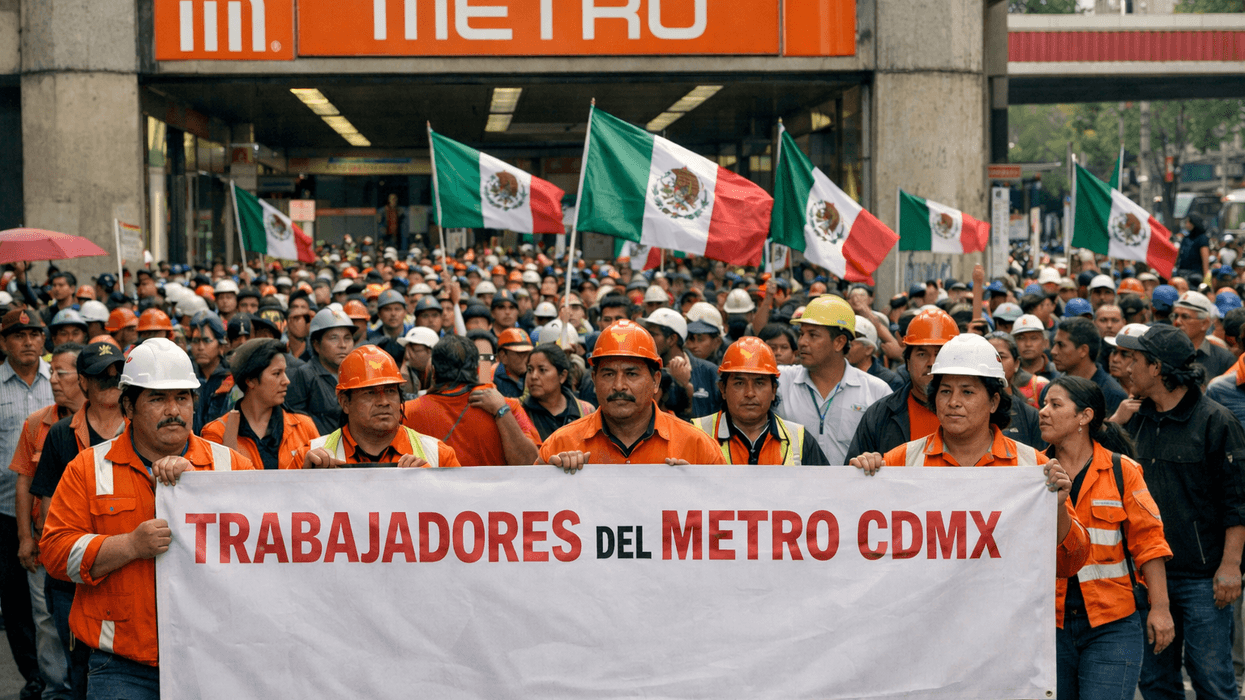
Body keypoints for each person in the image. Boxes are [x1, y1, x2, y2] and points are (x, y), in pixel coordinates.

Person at [40, 338, 253, 700]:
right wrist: (129, 545)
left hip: (214, 657)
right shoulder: (88, 468)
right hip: (122, 667)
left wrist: (201, 488)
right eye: (157, 399)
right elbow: (56, 555)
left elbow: (266, 550)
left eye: (182, 398)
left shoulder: (230, 466)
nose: (173, 410)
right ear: (128, 406)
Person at [848, 333, 1090, 579]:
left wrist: (1057, 509)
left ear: (994, 401)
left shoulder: (1033, 466)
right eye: (945, 391)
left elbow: (1069, 565)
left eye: (967, 392)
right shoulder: (901, 460)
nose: (953, 402)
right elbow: (861, 542)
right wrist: (863, 478)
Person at [1114, 324, 1245, 700]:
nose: (1125, 367)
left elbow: (1238, 502)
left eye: (1134, 359)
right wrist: (1114, 424)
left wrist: (1231, 567)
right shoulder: (1132, 419)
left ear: (1157, 367)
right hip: (1145, 578)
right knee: (1155, 683)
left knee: (1213, 682)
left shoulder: (1216, 422)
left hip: (1203, 581)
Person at [1039, 376, 1174, 700]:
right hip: (1047, 625)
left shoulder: (1121, 470)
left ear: (1084, 417)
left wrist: (1161, 608)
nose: (1043, 412)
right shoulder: (1031, 470)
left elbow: (1149, 542)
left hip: (1112, 623)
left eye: (1055, 405)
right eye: (1043, 404)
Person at [28, 341, 127, 700]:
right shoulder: (61, 434)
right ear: (84, 382)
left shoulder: (139, 429)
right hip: (74, 580)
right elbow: (50, 510)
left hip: (129, 571)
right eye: (102, 376)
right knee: (79, 669)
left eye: (118, 374)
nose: (112, 382)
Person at [539, 319, 725, 471]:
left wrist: (698, 488)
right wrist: (553, 478)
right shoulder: (560, 445)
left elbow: (725, 510)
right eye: (609, 374)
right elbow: (531, 506)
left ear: (656, 381)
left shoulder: (698, 448)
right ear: (594, 380)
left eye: (631, 374)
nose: (619, 386)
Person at [8, 343, 84, 700]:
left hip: (89, 544)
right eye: (51, 373)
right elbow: (24, 482)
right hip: (45, 541)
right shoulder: (37, 423)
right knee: (47, 622)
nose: (52, 379)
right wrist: (26, 536)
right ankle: (56, 690)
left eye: (61, 373)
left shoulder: (114, 423)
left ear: (84, 380)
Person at [294, 345, 460, 468]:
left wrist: (434, 485)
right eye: (370, 393)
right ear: (345, 402)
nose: (384, 401)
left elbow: (461, 511)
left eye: (390, 391)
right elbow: (281, 508)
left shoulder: (439, 456)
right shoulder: (309, 458)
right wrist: (305, 482)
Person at [0, 309, 52, 699]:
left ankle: (57, 675)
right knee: (16, 601)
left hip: (52, 510)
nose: (28, 341)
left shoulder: (63, 380)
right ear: (4, 342)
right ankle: (34, 674)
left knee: (51, 601)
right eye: (19, 335)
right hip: (3, 510)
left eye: (34, 333)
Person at [777, 295, 892, 465]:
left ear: (839, 342)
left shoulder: (876, 391)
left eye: (813, 335)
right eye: (801, 334)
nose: (802, 342)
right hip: (793, 490)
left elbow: (891, 453)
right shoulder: (779, 381)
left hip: (852, 491)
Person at [401, 335, 540, 466]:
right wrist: (502, 411)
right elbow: (532, 464)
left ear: (433, 371)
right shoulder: (505, 406)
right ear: (478, 369)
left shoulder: (406, 411)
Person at [692, 337, 829, 465]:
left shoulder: (799, 439)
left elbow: (826, 487)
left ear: (774, 390)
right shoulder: (696, 434)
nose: (750, 393)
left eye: (759, 383)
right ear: (723, 389)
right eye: (739, 383)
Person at [846, 307, 958, 461]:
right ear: (908, 362)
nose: (931, 363)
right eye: (922, 354)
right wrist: (863, 465)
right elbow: (852, 478)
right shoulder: (880, 415)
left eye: (939, 354)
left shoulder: (974, 413)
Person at [201, 339, 319, 471]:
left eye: (284, 372)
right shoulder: (216, 433)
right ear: (250, 380)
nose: (286, 381)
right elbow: (216, 488)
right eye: (276, 373)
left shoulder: (304, 427)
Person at [285, 307, 356, 435]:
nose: (342, 345)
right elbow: (295, 425)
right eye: (334, 338)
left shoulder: (356, 374)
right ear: (316, 345)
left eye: (347, 338)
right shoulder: (304, 375)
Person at [642, 308, 720, 419]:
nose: (648, 339)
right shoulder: (645, 370)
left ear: (672, 339)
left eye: (653, 334)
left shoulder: (709, 372)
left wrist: (684, 386)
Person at [1049, 317, 1127, 417]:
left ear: (1083, 350)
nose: (1053, 351)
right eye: (1054, 344)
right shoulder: (1052, 387)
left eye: (1061, 345)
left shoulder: (1112, 395)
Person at [521, 343, 596, 441]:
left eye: (542, 370)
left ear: (562, 376)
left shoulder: (586, 411)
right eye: (530, 369)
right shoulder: (521, 413)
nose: (533, 376)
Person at [1171, 291, 1235, 381]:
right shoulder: (1163, 352)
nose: (1177, 321)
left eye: (1185, 316)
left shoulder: (1224, 360)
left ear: (1205, 323)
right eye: (1175, 316)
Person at [189, 312, 231, 434]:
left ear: (221, 346)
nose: (200, 347)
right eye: (196, 341)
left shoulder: (230, 379)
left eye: (207, 341)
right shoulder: (187, 378)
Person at [1013, 314, 1059, 381]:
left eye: (1034, 338)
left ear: (1045, 343)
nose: (1028, 344)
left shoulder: (1057, 373)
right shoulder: (1010, 373)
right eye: (1021, 338)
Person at [493, 328, 533, 399]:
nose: (526, 359)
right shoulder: (493, 381)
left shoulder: (533, 376)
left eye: (528, 353)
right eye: (521, 354)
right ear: (503, 356)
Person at [397, 326, 437, 397]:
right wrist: (404, 372)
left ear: (430, 351)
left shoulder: (440, 372)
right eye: (407, 350)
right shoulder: (411, 369)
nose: (407, 356)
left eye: (414, 350)